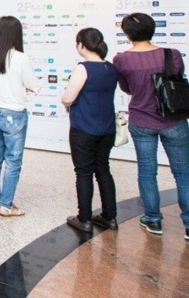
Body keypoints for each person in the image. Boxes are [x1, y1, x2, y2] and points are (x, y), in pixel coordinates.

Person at [113, 13, 189, 243]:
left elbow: (127, 88)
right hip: (174, 120)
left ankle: (153, 219)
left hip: (142, 121)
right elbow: (177, 80)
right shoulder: (171, 54)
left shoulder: (121, 60)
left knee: (147, 172)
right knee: (184, 173)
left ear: (127, 34)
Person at [61, 28, 119, 233]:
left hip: (84, 129)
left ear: (81, 45)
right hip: (107, 129)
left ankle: (84, 219)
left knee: (83, 173)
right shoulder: (111, 68)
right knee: (103, 169)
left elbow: (68, 98)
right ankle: (110, 217)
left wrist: (65, 100)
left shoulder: (82, 69)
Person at [0, 16, 38, 217]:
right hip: (14, 114)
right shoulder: (21, 58)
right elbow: (34, 84)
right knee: (13, 161)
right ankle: (6, 205)